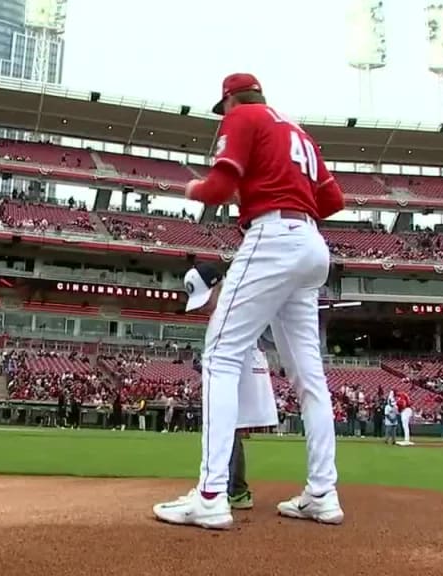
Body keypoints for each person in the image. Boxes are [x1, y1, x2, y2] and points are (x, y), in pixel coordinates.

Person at [152, 73, 345, 530]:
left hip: (273, 237)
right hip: (311, 243)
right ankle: (323, 492)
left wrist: (190, 190)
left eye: (225, 108)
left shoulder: (242, 117)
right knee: (310, 379)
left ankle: (212, 494)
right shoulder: (298, 131)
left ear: (232, 98)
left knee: (219, 354)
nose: (224, 117)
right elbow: (332, 200)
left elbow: (217, 189)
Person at [154, 264, 279, 522]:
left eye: (205, 298)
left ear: (218, 286)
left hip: (245, 367)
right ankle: (234, 491)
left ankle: (215, 492)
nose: (202, 307)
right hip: (248, 364)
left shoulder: (234, 307)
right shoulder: (234, 306)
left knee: (225, 425)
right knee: (231, 427)